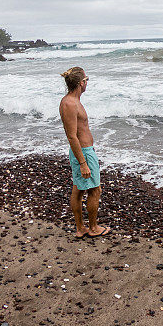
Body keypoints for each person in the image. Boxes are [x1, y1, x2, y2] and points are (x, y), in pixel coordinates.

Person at [58, 66, 110, 238]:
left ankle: (81, 228)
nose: (87, 83)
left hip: (85, 151)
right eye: (86, 80)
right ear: (81, 83)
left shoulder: (73, 101)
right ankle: (92, 228)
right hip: (84, 153)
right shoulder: (69, 104)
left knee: (78, 190)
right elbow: (72, 136)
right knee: (95, 191)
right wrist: (83, 163)